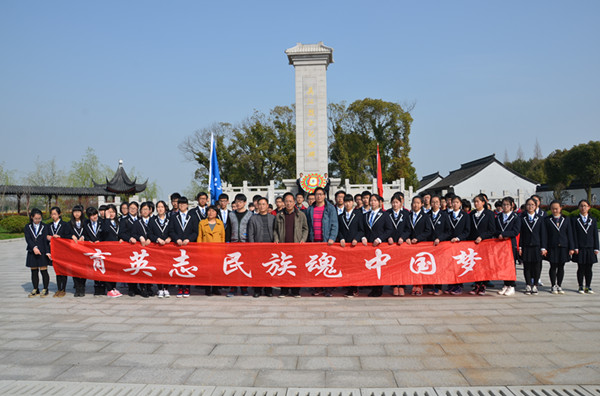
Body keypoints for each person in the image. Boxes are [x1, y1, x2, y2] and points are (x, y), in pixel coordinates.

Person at [274, 192, 308, 298]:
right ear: (283, 203)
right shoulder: (279, 215)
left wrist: (303, 239)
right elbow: (275, 229)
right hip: (283, 247)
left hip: (296, 246)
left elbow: (305, 229)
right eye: (286, 201)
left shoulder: (301, 215)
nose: (288, 203)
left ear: (294, 202)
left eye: (290, 201)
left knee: (296, 269)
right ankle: (284, 290)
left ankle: (295, 290)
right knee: (284, 268)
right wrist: (276, 239)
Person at [306, 187, 339, 297]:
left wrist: (332, 238)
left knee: (327, 265)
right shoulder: (310, 209)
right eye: (317, 194)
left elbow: (334, 224)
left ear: (324, 195)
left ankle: (328, 288)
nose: (319, 196)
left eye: (321, 194)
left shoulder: (330, 208)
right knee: (317, 266)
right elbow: (308, 225)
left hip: (326, 241)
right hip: (314, 241)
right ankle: (318, 287)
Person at [169, 196, 198, 298]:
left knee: (187, 267)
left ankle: (187, 287)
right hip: (178, 246)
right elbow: (171, 230)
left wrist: (189, 239)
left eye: (184, 204)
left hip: (189, 246)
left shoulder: (193, 217)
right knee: (179, 267)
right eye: (180, 204)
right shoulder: (173, 217)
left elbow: (195, 231)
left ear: (187, 205)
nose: (182, 205)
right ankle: (180, 287)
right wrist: (177, 239)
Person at [338, 193, 366, 298]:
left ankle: (354, 289)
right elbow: (339, 230)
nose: (347, 204)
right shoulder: (340, 216)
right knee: (346, 267)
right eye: (346, 201)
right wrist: (341, 238)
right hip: (345, 246)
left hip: (355, 246)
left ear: (353, 203)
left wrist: (356, 239)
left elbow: (361, 230)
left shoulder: (359, 215)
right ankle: (349, 287)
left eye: (349, 202)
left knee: (355, 267)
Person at [364, 194, 392, 297]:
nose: (372, 202)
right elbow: (363, 229)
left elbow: (389, 229)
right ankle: (373, 288)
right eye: (371, 200)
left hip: (380, 246)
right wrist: (363, 237)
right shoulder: (366, 215)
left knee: (379, 269)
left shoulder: (384, 215)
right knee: (371, 268)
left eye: (375, 200)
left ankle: (379, 289)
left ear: (379, 202)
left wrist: (380, 239)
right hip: (369, 246)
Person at [467, 194, 497, 295]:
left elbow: (492, 230)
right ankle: (476, 284)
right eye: (474, 202)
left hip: (485, 243)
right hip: (474, 244)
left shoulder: (489, 214)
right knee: (475, 265)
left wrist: (482, 237)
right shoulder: (471, 214)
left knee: (484, 265)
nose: (476, 203)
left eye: (478, 201)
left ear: (483, 203)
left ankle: (483, 285)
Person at [544, 200, 574, 294]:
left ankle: (559, 285)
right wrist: (544, 248)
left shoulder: (566, 219)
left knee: (561, 266)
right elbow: (545, 235)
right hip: (552, 246)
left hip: (563, 246)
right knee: (553, 266)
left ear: (561, 208)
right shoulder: (547, 219)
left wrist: (572, 247)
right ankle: (553, 285)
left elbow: (570, 234)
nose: (555, 210)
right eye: (553, 208)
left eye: (556, 208)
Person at [248, 197, 276, 298]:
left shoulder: (273, 218)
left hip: (270, 248)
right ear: (257, 206)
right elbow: (250, 234)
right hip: (258, 247)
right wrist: (252, 247)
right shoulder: (253, 218)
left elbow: (275, 232)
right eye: (260, 204)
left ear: (267, 206)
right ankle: (257, 289)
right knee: (257, 270)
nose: (262, 206)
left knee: (269, 269)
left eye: (264, 204)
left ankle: (268, 289)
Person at [405, 196, 432, 296]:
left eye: (417, 203)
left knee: (421, 266)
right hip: (411, 245)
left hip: (421, 245)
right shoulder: (409, 216)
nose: (415, 205)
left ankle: (420, 285)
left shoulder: (425, 216)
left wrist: (418, 238)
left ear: (421, 204)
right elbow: (407, 229)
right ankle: (414, 285)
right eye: (414, 203)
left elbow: (428, 231)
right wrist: (406, 238)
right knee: (413, 266)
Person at [519, 198, 547, 295]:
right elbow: (521, 234)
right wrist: (520, 247)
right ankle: (527, 284)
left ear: (536, 206)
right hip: (526, 246)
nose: (530, 207)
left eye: (532, 205)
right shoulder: (522, 218)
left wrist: (543, 247)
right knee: (527, 266)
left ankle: (535, 285)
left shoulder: (540, 218)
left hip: (537, 246)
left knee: (536, 266)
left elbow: (543, 234)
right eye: (528, 205)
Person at [227, 193, 253, 297]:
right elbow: (228, 228)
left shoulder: (250, 215)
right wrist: (228, 242)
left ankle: (244, 288)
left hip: (245, 243)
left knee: (244, 266)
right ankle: (233, 288)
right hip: (233, 243)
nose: (238, 204)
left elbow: (251, 230)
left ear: (245, 203)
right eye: (237, 202)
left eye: (240, 202)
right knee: (233, 267)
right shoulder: (231, 214)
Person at [495, 196, 521, 296]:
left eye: (507, 205)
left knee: (511, 265)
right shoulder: (499, 217)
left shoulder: (515, 217)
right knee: (503, 265)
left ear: (512, 206)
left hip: (511, 243)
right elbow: (495, 229)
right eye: (504, 205)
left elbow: (516, 231)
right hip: (501, 244)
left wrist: (505, 234)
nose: (505, 207)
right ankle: (505, 284)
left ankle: (512, 285)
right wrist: (499, 234)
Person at [445, 195, 471, 295]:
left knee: (459, 265)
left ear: (460, 204)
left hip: (460, 244)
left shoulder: (465, 215)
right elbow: (446, 230)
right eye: (453, 202)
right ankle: (451, 284)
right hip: (450, 244)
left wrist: (458, 238)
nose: (455, 204)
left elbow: (467, 231)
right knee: (450, 265)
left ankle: (459, 285)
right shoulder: (448, 215)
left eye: (457, 202)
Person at [198, 205, 226, 296]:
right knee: (207, 270)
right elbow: (200, 237)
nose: (211, 213)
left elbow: (222, 237)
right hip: (206, 251)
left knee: (216, 270)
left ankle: (215, 288)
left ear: (216, 213)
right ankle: (207, 288)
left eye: (213, 211)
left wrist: (222, 249)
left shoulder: (220, 223)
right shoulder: (202, 223)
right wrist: (200, 249)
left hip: (217, 251)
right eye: (209, 211)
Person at [572, 199, 599, 294]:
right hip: (580, 247)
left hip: (590, 247)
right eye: (581, 206)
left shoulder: (593, 220)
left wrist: (596, 247)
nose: (583, 208)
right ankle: (580, 286)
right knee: (581, 267)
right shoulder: (575, 220)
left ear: (589, 207)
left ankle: (588, 286)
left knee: (589, 268)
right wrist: (575, 247)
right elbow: (573, 234)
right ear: (578, 207)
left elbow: (595, 234)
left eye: (585, 206)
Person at [386, 192, 410, 296]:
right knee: (393, 266)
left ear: (401, 203)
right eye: (393, 202)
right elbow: (385, 228)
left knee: (402, 266)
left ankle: (402, 285)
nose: (395, 205)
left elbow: (408, 229)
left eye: (397, 202)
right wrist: (388, 237)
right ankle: (395, 285)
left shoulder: (406, 214)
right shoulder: (387, 214)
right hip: (391, 244)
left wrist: (403, 237)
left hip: (401, 244)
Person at [129, 202, 154, 298]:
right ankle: (143, 288)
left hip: (151, 249)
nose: (145, 211)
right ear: (140, 211)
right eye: (143, 209)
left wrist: (150, 238)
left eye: (146, 209)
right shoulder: (137, 222)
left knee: (150, 269)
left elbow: (156, 233)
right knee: (142, 269)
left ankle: (149, 287)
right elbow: (133, 234)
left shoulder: (153, 221)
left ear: (150, 210)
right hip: (141, 250)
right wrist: (140, 237)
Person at [25, 208, 51, 297]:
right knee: (34, 271)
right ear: (32, 217)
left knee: (44, 270)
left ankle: (45, 288)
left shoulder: (45, 226)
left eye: (39, 218)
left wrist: (48, 252)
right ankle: (35, 288)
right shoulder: (27, 227)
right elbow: (28, 239)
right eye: (36, 218)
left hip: (42, 251)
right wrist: (34, 248)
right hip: (32, 251)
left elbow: (45, 241)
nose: (38, 220)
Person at [148, 200, 172, 298]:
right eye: (158, 207)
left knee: (166, 268)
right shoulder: (153, 220)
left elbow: (173, 231)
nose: (160, 209)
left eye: (162, 207)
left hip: (167, 248)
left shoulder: (170, 219)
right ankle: (159, 288)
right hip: (157, 247)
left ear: (165, 208)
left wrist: (170, 238)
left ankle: (166, 288)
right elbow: (149, 233)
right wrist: (157, 239)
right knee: (158, 268)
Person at [427, 195, 450, 295]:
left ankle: (439, 287)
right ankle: (433, 286)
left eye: (437, 202)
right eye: (433, 202)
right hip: (429, 245)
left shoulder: (444, 215)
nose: (435, 204)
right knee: (431, 266)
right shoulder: (427, 215)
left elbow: (448, 231)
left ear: (440, 203)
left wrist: (440, 239)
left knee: (439, 267)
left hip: (440, 245)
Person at [47, 206, 71, 297]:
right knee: (57, 269)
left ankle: (63, 288)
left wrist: (60, 237)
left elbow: (68, 236)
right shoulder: (49, 225)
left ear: (59, 214)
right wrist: (48, 237)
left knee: (63, 270)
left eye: (55, 214)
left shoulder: (65, 225)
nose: (53, 216)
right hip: (54, 250)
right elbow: (46, 237)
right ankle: (58, 288)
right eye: (52, 214)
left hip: (63, 250)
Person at [119, 202, 142, 297]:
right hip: (129, 247)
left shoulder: (140, 220)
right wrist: (129, 238)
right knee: (131, 268)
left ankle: (138, 287)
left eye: (135, 208)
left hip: (139, 248)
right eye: (131, 208)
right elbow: (121, 233)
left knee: (139, 267)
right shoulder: (124, 220)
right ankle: (131, 288)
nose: (133, 210)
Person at [100, 204, 124, 298]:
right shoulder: (104, 222)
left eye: (113, 212)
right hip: (108, 249)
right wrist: (106, 219)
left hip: (117, 250)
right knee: (108, 269)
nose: (111, 214)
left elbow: (121, 232)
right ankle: (109, 289)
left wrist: (121, 238)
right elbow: (105, 231)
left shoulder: (118, 222)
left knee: (114, 269)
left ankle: (113, 287)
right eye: (109, 212)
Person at [84, 207, 105, 296]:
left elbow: (106, 233)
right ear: (89, 217)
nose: (94, 217)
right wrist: (89, 241)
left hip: (102, 248)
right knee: (95, 267)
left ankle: (103, 285)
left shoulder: (102, 222)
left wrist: (100, 240)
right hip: (92, 249)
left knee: (102, 267)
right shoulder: (86, 223)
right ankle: (96, 285)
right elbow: (85, 234)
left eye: (95, 214)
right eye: (92, 216)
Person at [69, 205, 87, 297]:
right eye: (75, 212)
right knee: (75, 269)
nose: (77, 213)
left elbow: (89, 232)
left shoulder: (86, 222)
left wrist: (84, 236)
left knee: (83, 268)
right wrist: (71, 235)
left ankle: (82, 287)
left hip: (84, 250)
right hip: (74, 251)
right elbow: (65, 233)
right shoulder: (69, 223)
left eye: (78, 212)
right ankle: (77, 287)